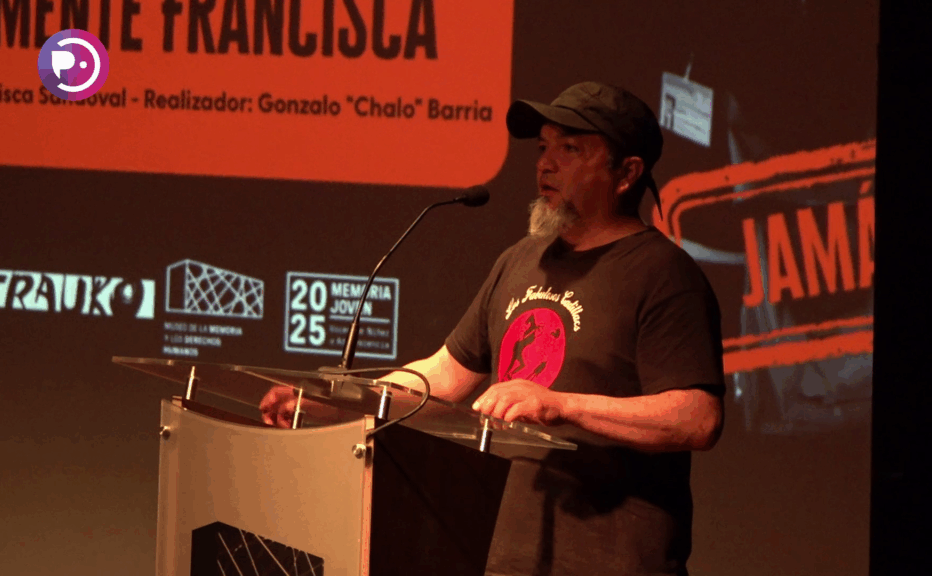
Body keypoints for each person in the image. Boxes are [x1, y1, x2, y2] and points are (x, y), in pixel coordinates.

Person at [262, 81, 725, 576]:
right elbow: (443, 375)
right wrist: (334, 402)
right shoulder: (520, 261)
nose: (546, 164)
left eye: (570, 149)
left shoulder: (663, 273)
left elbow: (697, 418)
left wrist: (561, 404)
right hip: (509, 559)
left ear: (627, 173)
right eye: (543, 147)